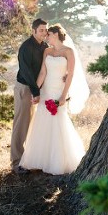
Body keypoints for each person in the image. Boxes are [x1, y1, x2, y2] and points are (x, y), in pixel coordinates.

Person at [19, 24, 89, 175]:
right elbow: (43, 72)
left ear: (56, 34)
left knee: (59, 122)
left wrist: (63, 96)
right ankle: (41, 159)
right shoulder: (47, 51)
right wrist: (35, 91)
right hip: (46, 90)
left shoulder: (68, 52)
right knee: (42, 122)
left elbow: (70, 75)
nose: (46, 37)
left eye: (49, 34)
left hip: (59, 91)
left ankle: (58, 161)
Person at [10, 18, 48, 174]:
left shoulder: (45, 46)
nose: (44, 33)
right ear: (33, 31)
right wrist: (35, 91)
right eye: (41, 30)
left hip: (37, 88)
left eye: (46, 30)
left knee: (34, 125)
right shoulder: (26, 47)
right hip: (25, 88)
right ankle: (16, 163)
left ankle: (31, 159)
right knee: (21, 124)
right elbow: (26, 72)